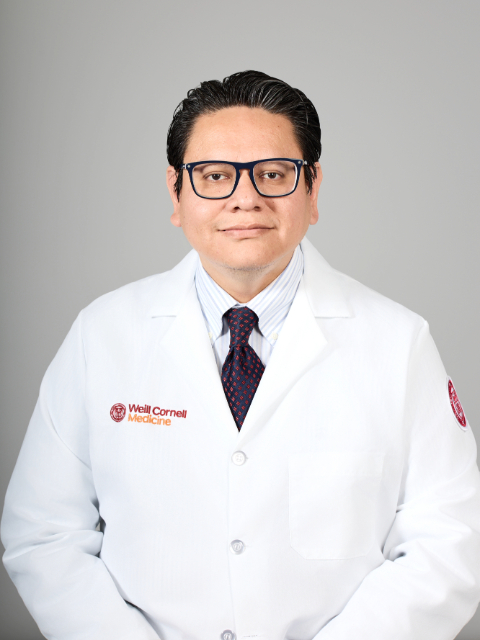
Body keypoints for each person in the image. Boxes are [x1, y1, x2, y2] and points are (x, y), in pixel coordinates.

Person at [2, 70, 480, 640]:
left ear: (313, 190)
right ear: (176, 194)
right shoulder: (101, 336)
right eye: (214, 176)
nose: (245, 199)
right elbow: (44, 532)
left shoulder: (399, 344)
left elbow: (451, 541)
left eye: (273, 174)